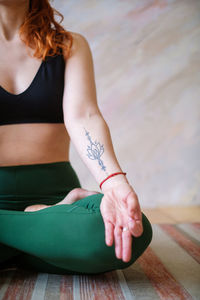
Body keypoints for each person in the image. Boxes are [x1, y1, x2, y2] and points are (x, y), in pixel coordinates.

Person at [0, 0, 153, 275]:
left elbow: (84, 116)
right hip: (51, 217)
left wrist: (114, 182)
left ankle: (21, 241)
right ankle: (38, 240)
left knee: (129, 228)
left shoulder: (69, 45)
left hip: (58, 200)